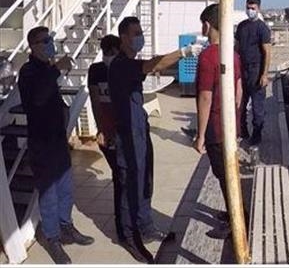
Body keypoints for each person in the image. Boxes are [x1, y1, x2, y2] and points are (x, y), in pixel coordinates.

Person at [109, 17, 202, 260]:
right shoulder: (120, 64)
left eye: (141, 32)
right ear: (123, 38)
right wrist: (183, 52)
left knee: (145, 181)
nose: (140, 37)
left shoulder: (130, 63)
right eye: (136, 33)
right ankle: (129, 236)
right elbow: (152, 65)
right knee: (130, 185)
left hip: (139, 129)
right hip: (127, 135)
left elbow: (153, 66)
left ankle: (146, 226)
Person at [17, 27, 94, 264]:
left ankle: (66, 225)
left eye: (51, 39)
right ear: (34, 46)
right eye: (45, 40)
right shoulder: (28, 72)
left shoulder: (46, 69)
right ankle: (52, 238)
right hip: (41, 142)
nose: (51, 43)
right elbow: (38, 98)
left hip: (57, 139)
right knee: (49, 192)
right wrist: (56, 70)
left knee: (65, 187)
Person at [193, 4, 244, 239]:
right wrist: (234, 117)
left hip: (215, 126)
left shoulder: (207, 57)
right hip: (230, 124)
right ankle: (234, 212)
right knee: (228, 172)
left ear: (207, 25)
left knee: (224, 174)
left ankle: (237, 219)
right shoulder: (232, 54)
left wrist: (201, 135)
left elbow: (205, 97)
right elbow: (239, 91)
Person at [86, 35, 125, 247]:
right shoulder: (96, 70)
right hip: (108, 132)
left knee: (127, 177)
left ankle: (131, 220)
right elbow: (95, 100)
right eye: (106, 52)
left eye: (113, 52)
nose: (109, 56)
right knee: (119, 177)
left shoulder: (124, 69)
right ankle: (122, 226)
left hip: (125, 132)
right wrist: (101, 129)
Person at [235, 0, 272, 145]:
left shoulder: (262, 28)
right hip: (242, 70)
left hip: (256, 71)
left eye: (253, 8)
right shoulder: (241, 26)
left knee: (257, 106)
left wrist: (264, 75)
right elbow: (237, 47)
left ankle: (257, 134)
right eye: (248, 8)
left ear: (258, 9)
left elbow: (267, 52)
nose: (250, 10)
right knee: (240, 103)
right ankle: (242, 130)